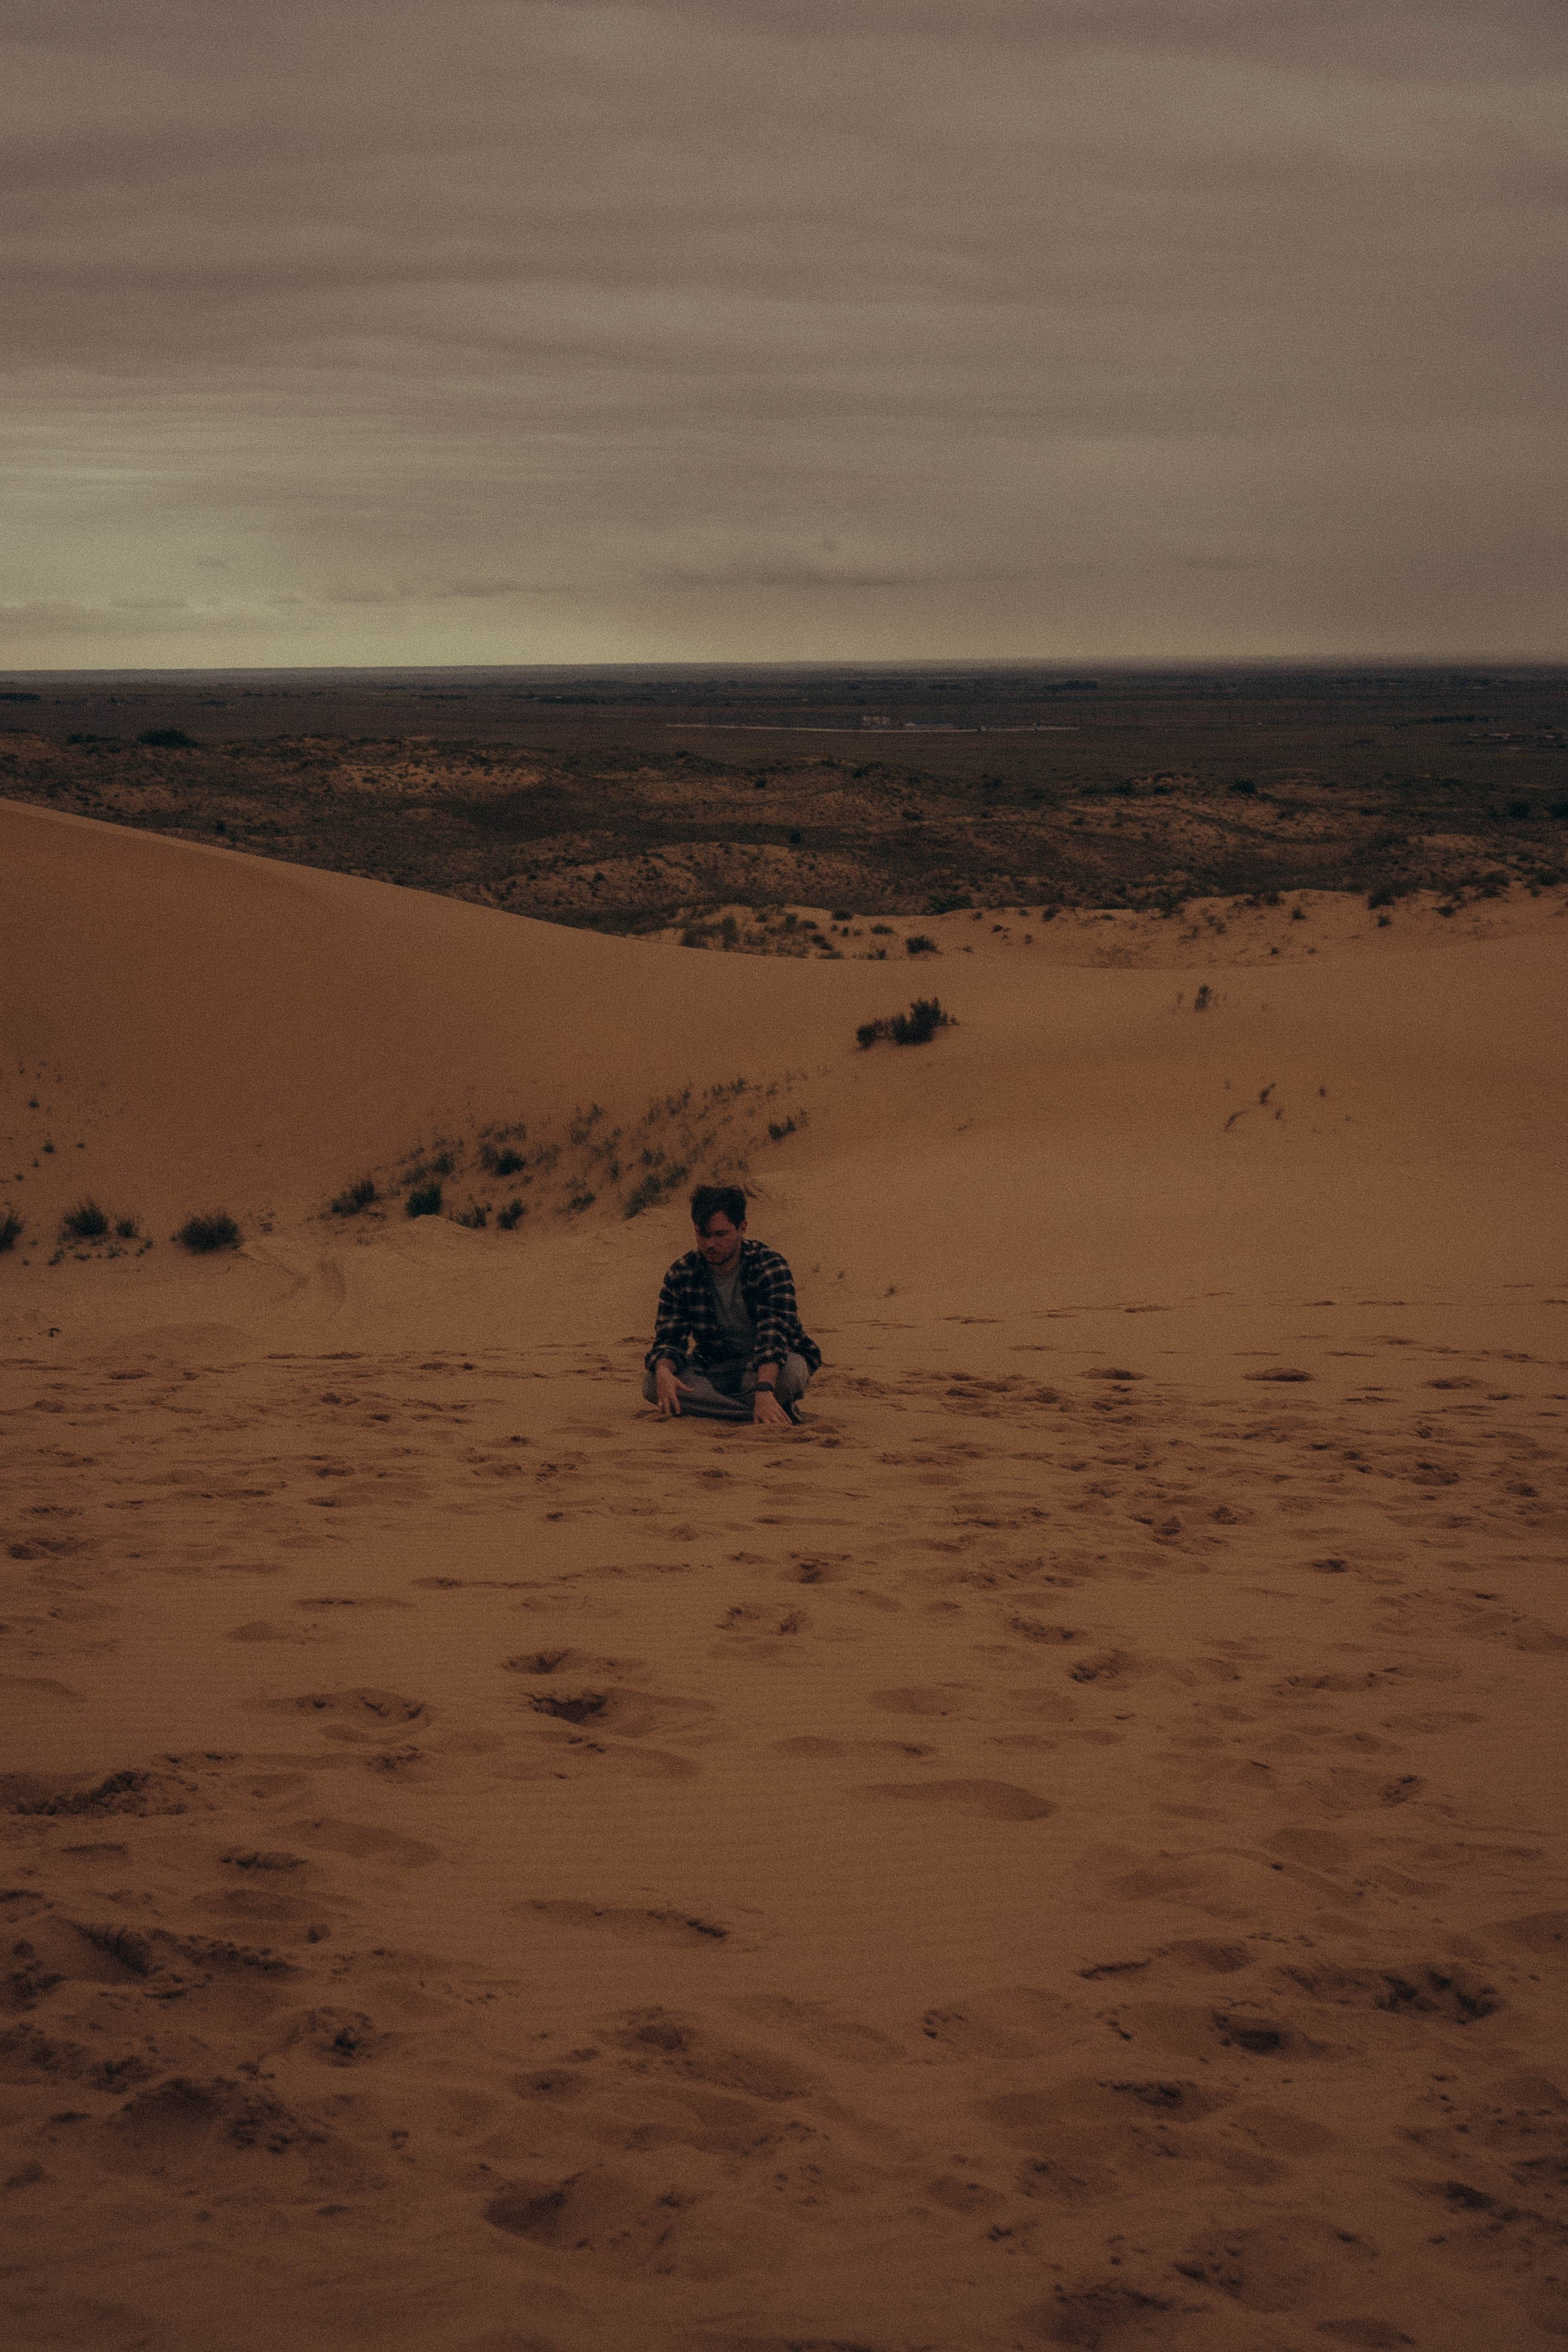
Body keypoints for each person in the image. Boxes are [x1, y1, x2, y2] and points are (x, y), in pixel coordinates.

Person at [643, 1185, 820, 1427]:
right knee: (652, 1383)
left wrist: (764, 1388)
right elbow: (670, 1338)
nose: (710, 1244)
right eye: (703, 1235)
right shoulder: (683, 1272)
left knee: (791, 1374)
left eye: (720, 1234)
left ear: (742, 1228)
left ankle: (734, 1406)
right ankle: (751, 1412)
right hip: (715, 1365)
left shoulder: (769, 1265)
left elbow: (774, 1334)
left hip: (767, 1366)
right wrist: (664, 1370)